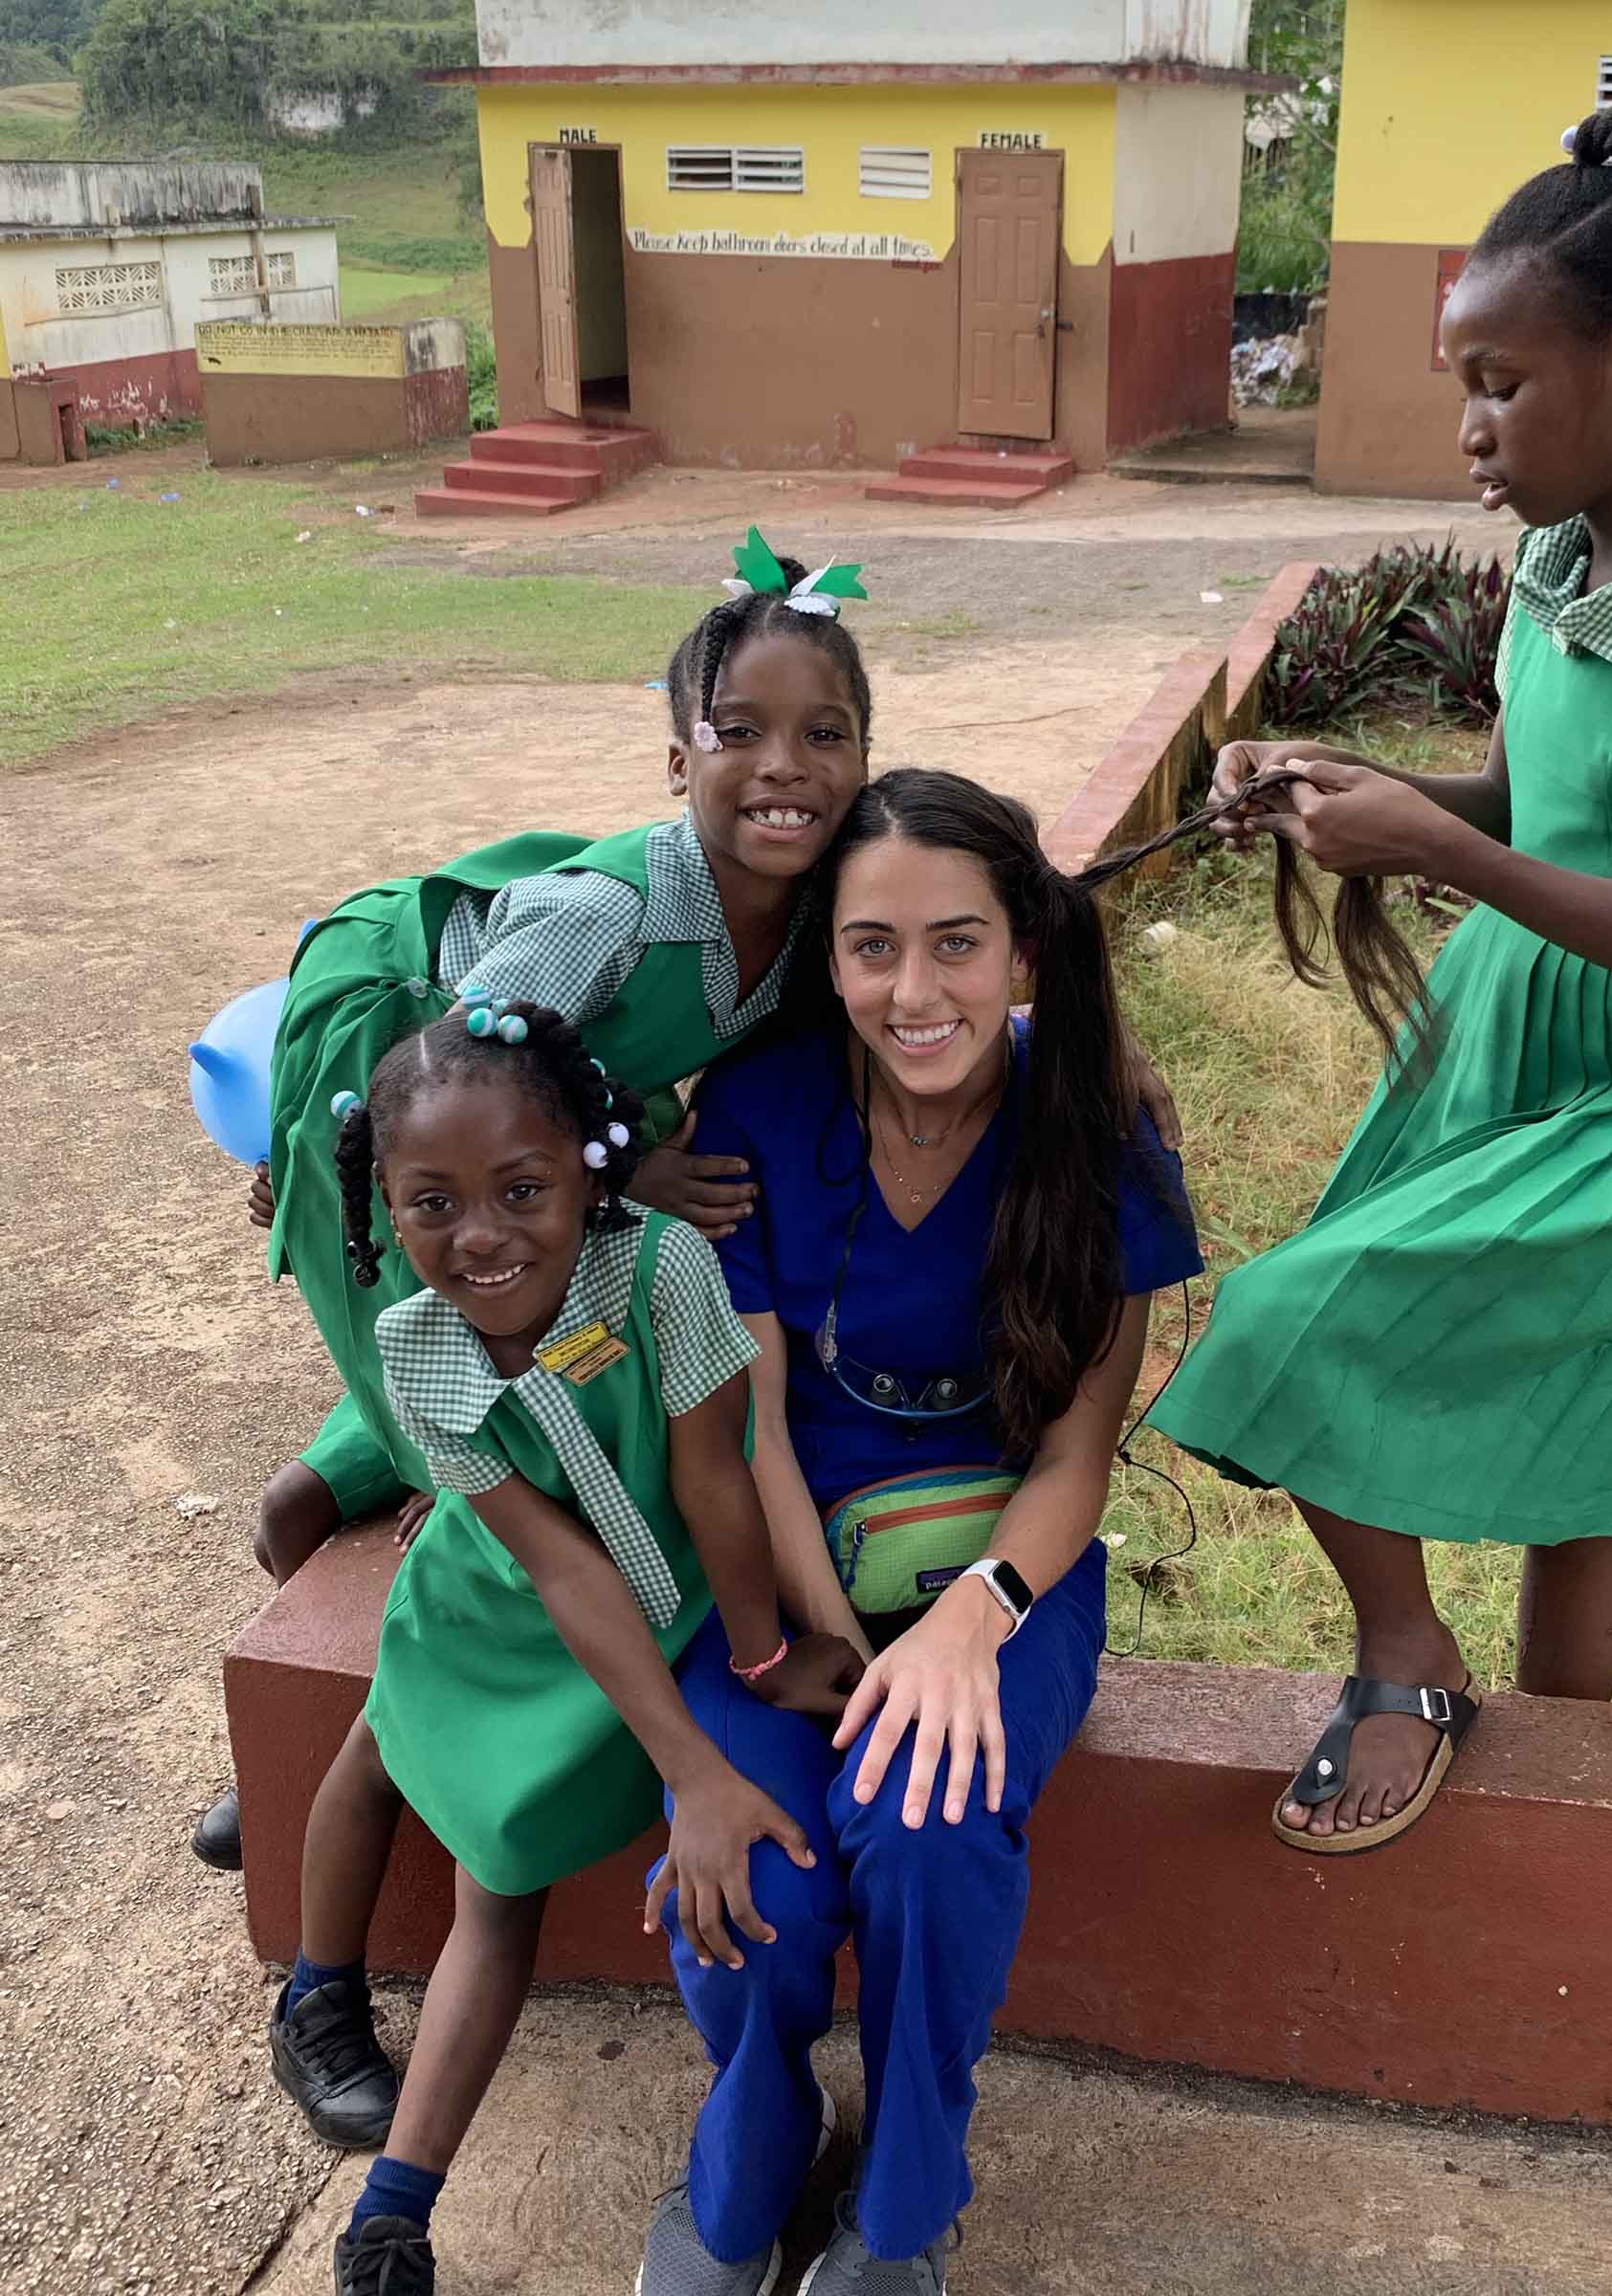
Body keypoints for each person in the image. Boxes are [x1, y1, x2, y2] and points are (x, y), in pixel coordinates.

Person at [1148, 103, 1612, 1855]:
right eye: (1460, 380)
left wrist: (1441, 857)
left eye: (1498, 382)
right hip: (1519, 1032)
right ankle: (1455, 1681)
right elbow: (1546, 811)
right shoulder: (1556, 558)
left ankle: (1461, 1696)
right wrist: (1341, 784)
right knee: (1526, 1390)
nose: (1466, 428)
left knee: (1321, 1327)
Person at [192, 532, 876, 1870]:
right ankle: (338, 1756)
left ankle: (339, 1523)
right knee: (462, 1372)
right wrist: (626, 1164)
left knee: (522, 1339)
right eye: (741, 729)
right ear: (680, 760)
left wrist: (1081, 1042)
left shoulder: (802, 900)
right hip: (411, 1055)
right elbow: (475, 1066)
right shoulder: (606, 911)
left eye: (824, 733)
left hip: (546, 1091)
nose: (785, 764)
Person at [633, 771, 1203, 2295]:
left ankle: (903, 2202)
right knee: (753, 1866)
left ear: (1024, 949)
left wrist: (967, 1623)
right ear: (828, 958)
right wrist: (819, 1637)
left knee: (930, 1841)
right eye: (871, 947)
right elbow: (748, 1422)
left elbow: (1081, 1452)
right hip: (777, 1557)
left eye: (956, 944)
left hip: (1006, 1570)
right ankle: (746, 2162)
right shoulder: (761, 1114)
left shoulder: (1100, 1139)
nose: (913, 990)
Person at [267, 1001, 863, 2296]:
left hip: (631, 1631)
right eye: (430, 1203)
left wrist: (756, 1669)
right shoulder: (413, 1343)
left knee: (497, 1878)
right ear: (386, 1204)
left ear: (590, 1163)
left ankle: (391, 2209)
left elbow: (718, 1484)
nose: (479, 1235)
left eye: (521, 1187)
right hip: (489, 1609)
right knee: (378, 1755)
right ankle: (314, 1993)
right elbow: (549, 1558)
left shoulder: (657, 1274)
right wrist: (693, 1769)